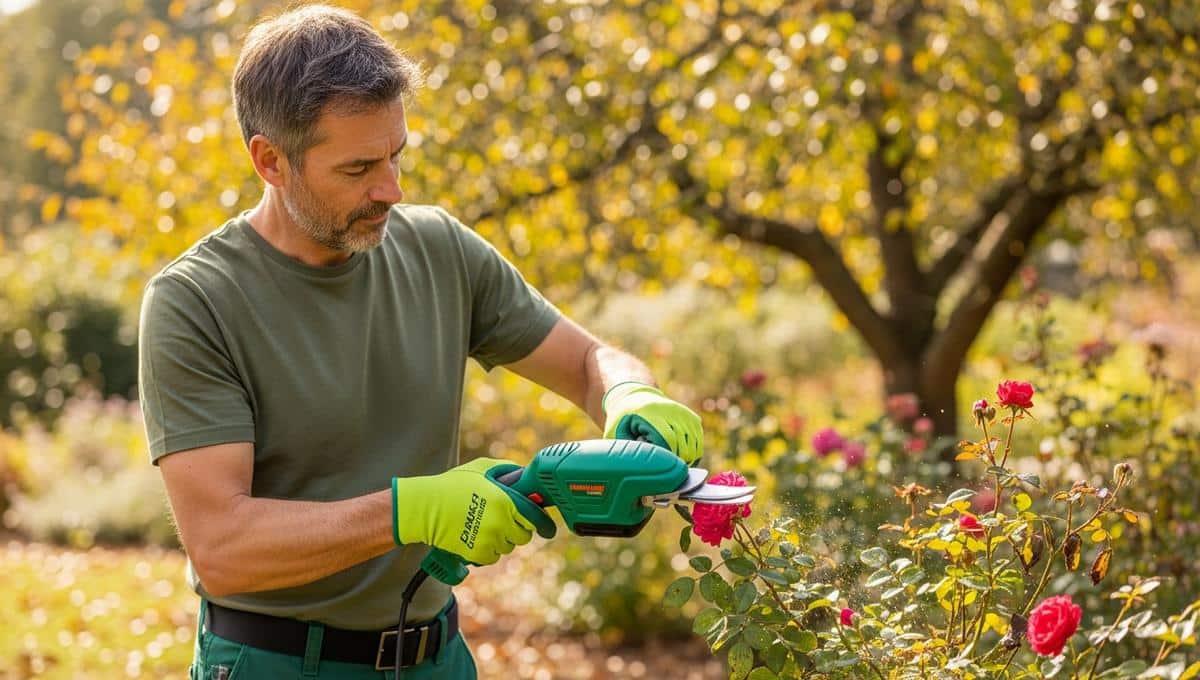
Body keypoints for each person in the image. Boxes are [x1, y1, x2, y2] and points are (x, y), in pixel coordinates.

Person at [136, 4, 703, 679]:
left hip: (436, 656)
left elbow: (585, 361)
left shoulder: (439, 249)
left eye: (397, 156)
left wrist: (628, 389)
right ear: (270, 161)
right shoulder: (195, 301)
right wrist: (412, 511)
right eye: (358, 169)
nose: (391, 190)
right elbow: (221, 546)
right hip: (278, 662)